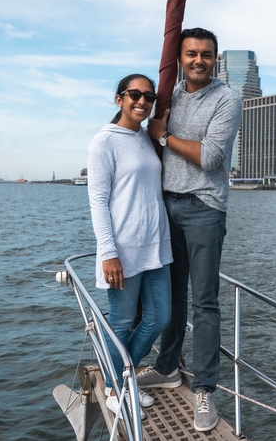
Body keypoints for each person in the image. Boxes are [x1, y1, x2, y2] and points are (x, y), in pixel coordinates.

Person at [141, 28, 241, 432]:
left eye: (206, 54)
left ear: (215, 59)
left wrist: (163, 135)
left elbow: (212, 158)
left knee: (204, 302)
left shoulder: (226, 99)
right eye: (191, 54)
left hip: (203, 208)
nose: (199, 60)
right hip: (167, 205)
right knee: (169, 296)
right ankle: (167, 367)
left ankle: (204, 389)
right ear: (180, 58)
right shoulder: (170, 96)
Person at [87, 74, 173, 420]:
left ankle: (120, 379)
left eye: (148, 96)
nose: (142, 101)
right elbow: (98, 199)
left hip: (155, 245)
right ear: (119, 99)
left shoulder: (144, 138)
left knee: (160, 317)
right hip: (123, 248)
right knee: (122, 320)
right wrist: (108, 251)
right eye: (134, 94)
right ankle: (114, 388)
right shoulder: (104, 141)